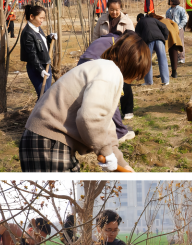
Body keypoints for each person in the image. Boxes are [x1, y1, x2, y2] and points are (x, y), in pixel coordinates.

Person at [19, 33, 147, 172]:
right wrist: (106, 152)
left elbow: (105, 123)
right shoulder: (109, 72)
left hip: (43, 140)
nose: (136, 78)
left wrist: (121, 163)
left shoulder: (102, 68)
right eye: (139, 73)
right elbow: (90, 118)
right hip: (48, 140)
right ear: (134, 64)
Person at [78, 32, 135, 142]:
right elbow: (116, 64)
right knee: (109, 98)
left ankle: (97, 129)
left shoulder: (107, 39)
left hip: (82, 65)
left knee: (89, 99)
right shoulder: (118, 43)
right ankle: (120, 133)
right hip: (95, 65)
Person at [20, 5, 57, 98]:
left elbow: (40, 44)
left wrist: (49, 38)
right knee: (43, 96)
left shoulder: (37, 28)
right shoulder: (28, 32)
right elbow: (32, 54)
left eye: (43, 18)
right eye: (40, 18)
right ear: (32, 16)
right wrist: (40, 69)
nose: (42, 20)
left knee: (47, 95)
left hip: (46, 65)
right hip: (36, 68)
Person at [135, 14, 170, 86]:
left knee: (147, 61)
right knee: (163, 59)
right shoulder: (154, 19)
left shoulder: (140, 22)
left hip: (148, 40)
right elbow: (164, 27)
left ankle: (148, 81)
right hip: (160, 39)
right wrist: (164, 37)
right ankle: (166, 81)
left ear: (139, 19)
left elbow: (137, 35)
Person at [149, 12, 183, 79]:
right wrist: (176, 33)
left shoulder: (154, 22)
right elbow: (175, 24)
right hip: (173, 35)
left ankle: (164, 73)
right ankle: (174, 73)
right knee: (173, 53)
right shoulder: (165, 19)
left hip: (166, 36)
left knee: (162, 55)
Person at [166, 0, 188, 64]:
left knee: (180, 43)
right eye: (169, 1)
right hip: (171, 30)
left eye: (171, 1)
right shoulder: (168, 11)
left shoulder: (181, 9)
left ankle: (181, 58)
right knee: (173, 44)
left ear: (174, 1)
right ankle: (175, 58)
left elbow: (185, 19)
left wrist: (179, 27)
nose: (170, 2)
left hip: (179, 29)